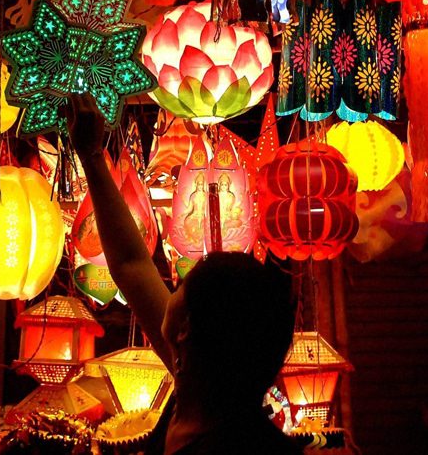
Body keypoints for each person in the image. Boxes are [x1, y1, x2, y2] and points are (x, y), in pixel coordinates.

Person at [68, 95, 302, 454]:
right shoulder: (200, 392)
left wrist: (93, 154)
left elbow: (132, 266)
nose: (169, 286)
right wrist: (91, 155)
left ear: (186, 326)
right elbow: (131, 264)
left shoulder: (237, 443)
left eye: (182, 287)